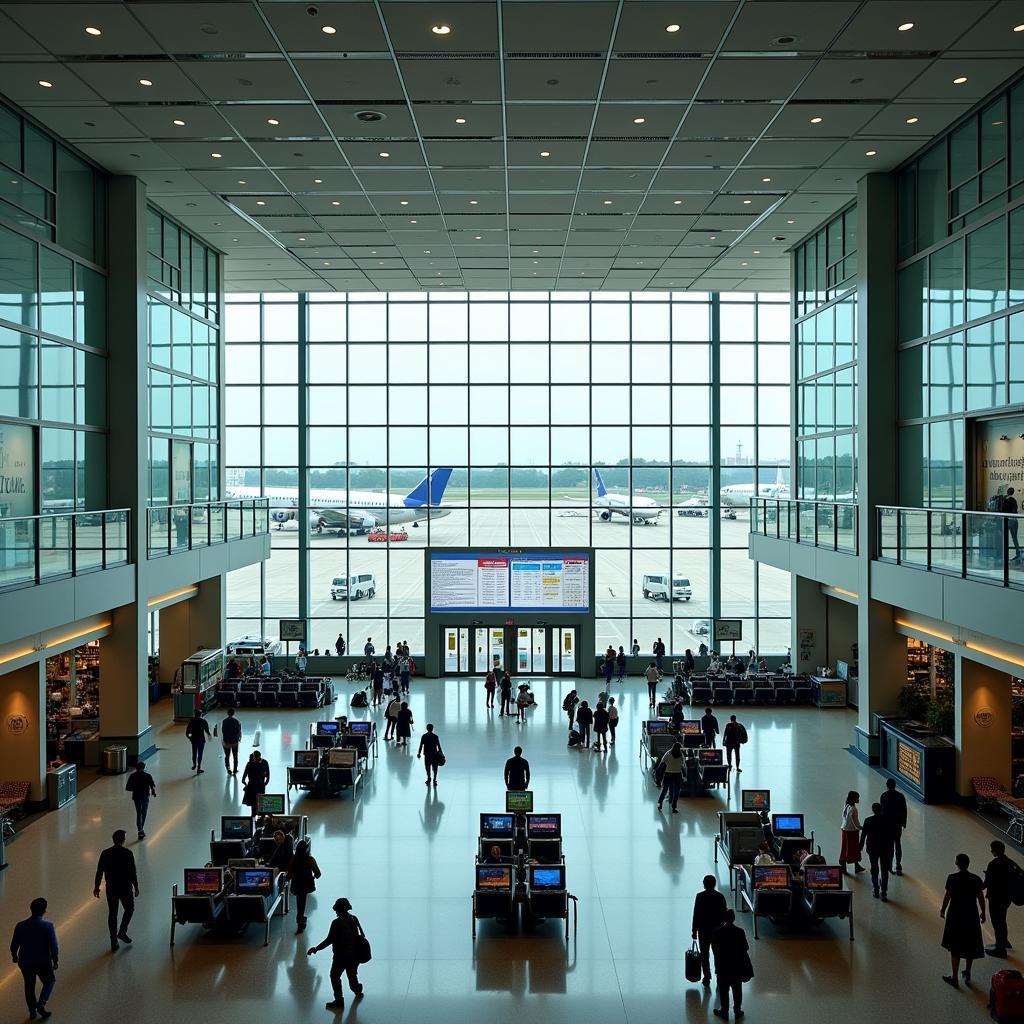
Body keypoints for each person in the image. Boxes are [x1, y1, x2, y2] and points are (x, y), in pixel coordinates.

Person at [307, 898, 366, 1011]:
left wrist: (316, 949)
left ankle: (339, 1000)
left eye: (336, 910)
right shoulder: (354, 919)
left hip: (340, 956)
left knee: (335, 976)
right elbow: (360, 935)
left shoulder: (336, 923)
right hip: (354, 955)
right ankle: (357, 989)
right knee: (352, 975)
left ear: (339, 910)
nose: (335, 912)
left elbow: (329, 940)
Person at [940, 852, 986, 988]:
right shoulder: (976, 879)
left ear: (957, 864)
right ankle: (967, 971)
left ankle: (954, 977)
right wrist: (983, 912)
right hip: (971, 914)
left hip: (956, 915)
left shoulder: (952, 878)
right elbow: (980, 897)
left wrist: (943, 909)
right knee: (970, 944)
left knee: (955, 946)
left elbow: (947, 896)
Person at [10, 897, 58, 1020]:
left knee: (29, 985)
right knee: (49, 981)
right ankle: (41, 1004)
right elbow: (53, 945)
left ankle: (32, 1011)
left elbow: (14, 944)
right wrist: (55, 959)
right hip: (43, 962)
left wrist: (14, 956)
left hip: (25, 962)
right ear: (44, 911)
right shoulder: (48, 926)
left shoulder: (20, 926)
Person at [93, 830, 139, 952]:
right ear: (123, 840)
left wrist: (97, 886)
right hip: (125, 887)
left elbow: (99, 871)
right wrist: (136, 886)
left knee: (112, 913)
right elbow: (132, 871)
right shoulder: (127, 853)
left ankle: (113, 941)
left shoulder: (105, 853)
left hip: (111, 887)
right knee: (129, 908)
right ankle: (122, 931)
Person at [711, 909, 753, 1019]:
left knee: (723, 990)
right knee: (737, 989)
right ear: (733, 919)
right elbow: (745, 948)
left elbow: (714, 949)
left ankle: (724, 1011)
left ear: (724, 919)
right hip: (737, 966)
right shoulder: (740, 932)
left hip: (723, 966)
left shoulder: (717, 932)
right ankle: (737, 1010)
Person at [691, 875, 727, 988]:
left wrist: (694, 930)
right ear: (714, 884)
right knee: (718, 954)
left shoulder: (700, 896)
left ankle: (707, 976)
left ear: (704, 884)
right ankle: (719, 974)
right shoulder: (720, 896)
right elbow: (724, 914)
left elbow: (696, 914)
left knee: (704, 955)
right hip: (717, 930)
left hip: (703, 930)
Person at [984, 840, 1018, 957]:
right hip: (1006, 898)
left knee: (997, 922)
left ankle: (1000, 949)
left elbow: (986, 883)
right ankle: (1003, 941)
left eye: (992, 849)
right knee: (1002, 920)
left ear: (995, 851)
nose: (991, 851)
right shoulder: (1010, 862)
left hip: (995, 898)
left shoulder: (993, 864)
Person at [860, 802, 895, 901]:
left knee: (874, 868)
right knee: (884, 870)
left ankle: (876, 888)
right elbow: (891, 836)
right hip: (884, 848)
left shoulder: (868, 820)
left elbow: (863, 836)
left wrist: (860, 848)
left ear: (873, 810)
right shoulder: (887, 820)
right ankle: (884, 892)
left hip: (872, 848)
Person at [287, 839, 321, 934]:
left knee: (300, 903)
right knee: (302, 902)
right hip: (307, 884)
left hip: (296, 884)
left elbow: (289, 875)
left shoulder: (293, 859)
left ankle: (300, 920)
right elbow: (318, 874)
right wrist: (313, 877)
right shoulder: (310, 859)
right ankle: (301, 919)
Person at [879, 778, 908, 875]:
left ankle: (889, 866)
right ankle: (898, 865)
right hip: (897, 824)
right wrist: (903, 823)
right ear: (895, 785)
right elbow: (904, 810)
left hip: (887, 825)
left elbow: (882, 811)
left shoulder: (883, 796)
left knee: (890, 845)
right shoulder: (900, 796)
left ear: (887, 785)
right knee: (898, 843)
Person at [124, 761, 156, 840]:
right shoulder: (147, 776)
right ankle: (141, 829)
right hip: (145, 796)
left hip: (136, 796)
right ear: (143, 767)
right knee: (144, 812)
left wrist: (135, 788)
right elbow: (152, 785)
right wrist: (153, 792)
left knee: (139, 813)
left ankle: (140, 829)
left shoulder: (132, 776)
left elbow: (128, 787)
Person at [840, 790, 866, 873]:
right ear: (854, 799)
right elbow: (856, 822)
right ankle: (855, 866)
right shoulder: (854, 809)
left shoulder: (846, 805)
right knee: (854, 849)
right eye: (857, 798)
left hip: (845, 829)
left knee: (845, 848)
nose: (858, 799)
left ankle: (848, 866)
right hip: (851, 832)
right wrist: (862, 828)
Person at [657, 742, 685, 813]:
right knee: (677, 792)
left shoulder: (668, 753)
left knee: (665, 790)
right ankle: (674, 807)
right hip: (678, 775)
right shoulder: (681, 755)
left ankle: (660, 803)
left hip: (668, 774)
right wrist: (684, 775)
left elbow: (662, 763)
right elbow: (683, 765)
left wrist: (658, 774)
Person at [185, 709, 211, 774]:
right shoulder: (203, 721)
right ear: (201, 714)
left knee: (194, 753)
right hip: (201, 740)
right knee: (200, 754)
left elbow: (188, 732)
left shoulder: (191, 721)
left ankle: (194, 764)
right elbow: (207, 730)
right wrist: (209, 735)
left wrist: (190, 737)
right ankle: (199, 767)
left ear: (195, 714)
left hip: (194, 740)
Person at [220, 706, 242, 775]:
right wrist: (238, 739)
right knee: (235, 756)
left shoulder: (224, 721)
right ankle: (235, 770)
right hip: (235, 742)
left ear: (227, 713)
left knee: (227, 755)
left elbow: (223, 731)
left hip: (227, 742)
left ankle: (228, 768)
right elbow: (239, 731)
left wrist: (225, 739)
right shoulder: (237, 721)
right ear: (233, 713)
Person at [1005, 487, 1021, 561]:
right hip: (1014, 519)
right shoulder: (1014, 500)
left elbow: (1004, 510)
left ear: (1007, 492)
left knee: (1005, 537)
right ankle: (1018, 553)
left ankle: (1004, 554)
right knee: (1014, 538)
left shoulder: (1006, 500)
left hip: (1008, 520)